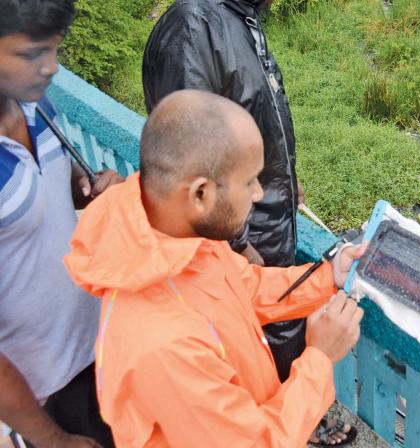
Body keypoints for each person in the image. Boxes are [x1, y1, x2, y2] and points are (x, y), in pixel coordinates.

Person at [64, 90, 363, 447]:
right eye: (249, 181)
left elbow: (241, 287)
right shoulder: (162, 343)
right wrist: (319, 358)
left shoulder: (174, 235)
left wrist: (327, 277)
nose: (256, 194)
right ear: (201, 194)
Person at [141, 1, 344, 441]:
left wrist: (285, 181)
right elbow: (193, 150)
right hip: (241, 236)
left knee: (271, 334)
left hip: (255, 232)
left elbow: (250, 121)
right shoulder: (193, 29)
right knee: (257, 342)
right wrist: (236, 244)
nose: (256, 187)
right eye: (251, 181)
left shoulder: (240, 19)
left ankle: (299, 418)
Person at [0, 1, 121, 446]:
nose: (51, 67)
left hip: (100, 342)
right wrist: (52, 440)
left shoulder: (36, 105)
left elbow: (58, 189)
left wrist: (91, 187)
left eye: (56, 49)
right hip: (48, 387)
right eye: (33, 54)